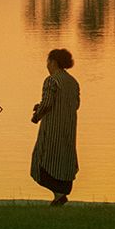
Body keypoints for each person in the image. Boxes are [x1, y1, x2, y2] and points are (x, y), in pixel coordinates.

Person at [30, 48, 79, 206]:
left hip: (52, 128)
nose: (47, 65)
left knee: (42, 159)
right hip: (69, 128)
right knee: (63, 159)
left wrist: (36, 116)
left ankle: (58, 194)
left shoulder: (51, 80)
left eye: (48, 62)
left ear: (54, 62)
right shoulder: (73, 82)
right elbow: (75, 104)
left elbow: (47, 103)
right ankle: (60, 193)